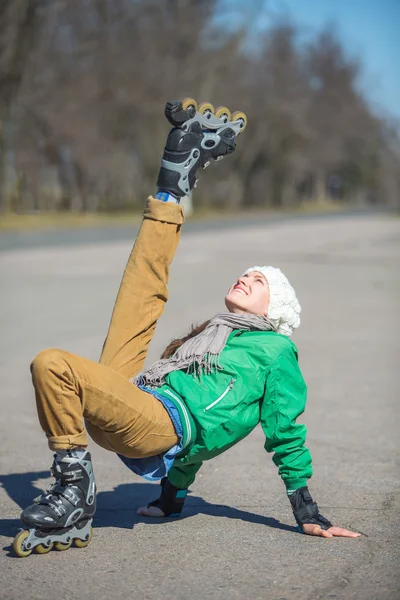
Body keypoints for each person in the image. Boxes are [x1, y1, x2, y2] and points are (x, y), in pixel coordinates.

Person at [14, 100, 359, 557]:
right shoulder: (214, 335)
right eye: (246, 272)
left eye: (259, 282)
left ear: (273, 307)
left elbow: (277, 430)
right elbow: (209, 415)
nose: (245, 278)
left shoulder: (275, 351)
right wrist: (171, 499)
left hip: (158, 426)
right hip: (139, 401)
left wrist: (307, 510)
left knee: (52, 364)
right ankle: (174, 181)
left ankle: (74, 485)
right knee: (140, 298)